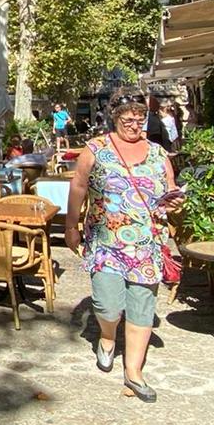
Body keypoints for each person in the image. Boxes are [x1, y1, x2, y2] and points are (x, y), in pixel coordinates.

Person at [65, 92, 183, 403]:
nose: (134, 125)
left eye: (140, 119)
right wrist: (71, 225)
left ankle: (134, 371)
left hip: (147, 242)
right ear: (115, 118)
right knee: (107, 305)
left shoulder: (158, 153)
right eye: (128, 119)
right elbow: (78, 185)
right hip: (106, 242)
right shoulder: (96, 149)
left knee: (142, 306)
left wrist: (174, 200)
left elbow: (170, 187)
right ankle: (107, 337)